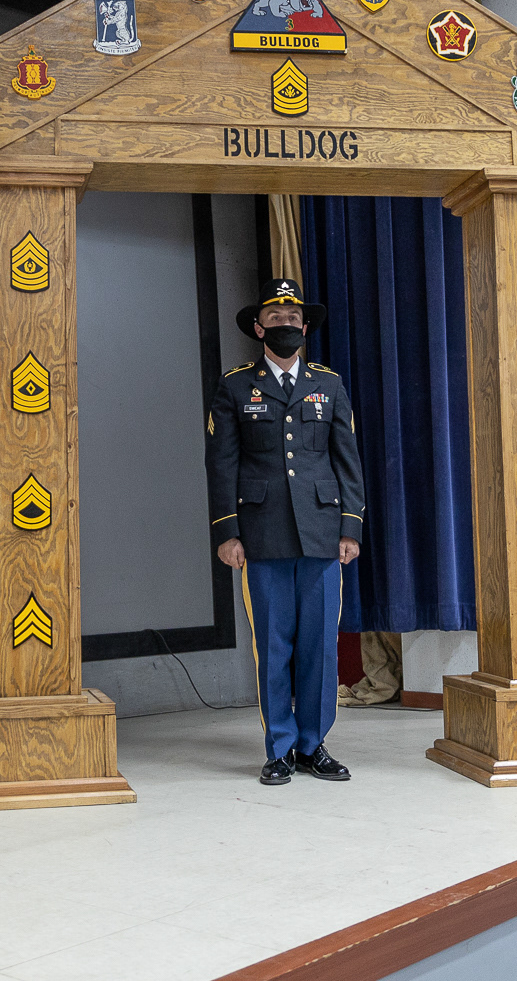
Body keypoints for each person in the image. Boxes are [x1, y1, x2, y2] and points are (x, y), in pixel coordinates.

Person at [205, 278, 366, 785]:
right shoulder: (235, 386)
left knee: (320, 646)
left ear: (305, 327)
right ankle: (279, 748)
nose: (286, 324)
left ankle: (313, 745)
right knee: (273, 647)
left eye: (294, 318)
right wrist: (227, 532)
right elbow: (222, 464)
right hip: (262, 534)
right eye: (275, 318)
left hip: (322, 532)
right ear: (259, 328)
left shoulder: (329, 384)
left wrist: (350, 527)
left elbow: (347, 461)